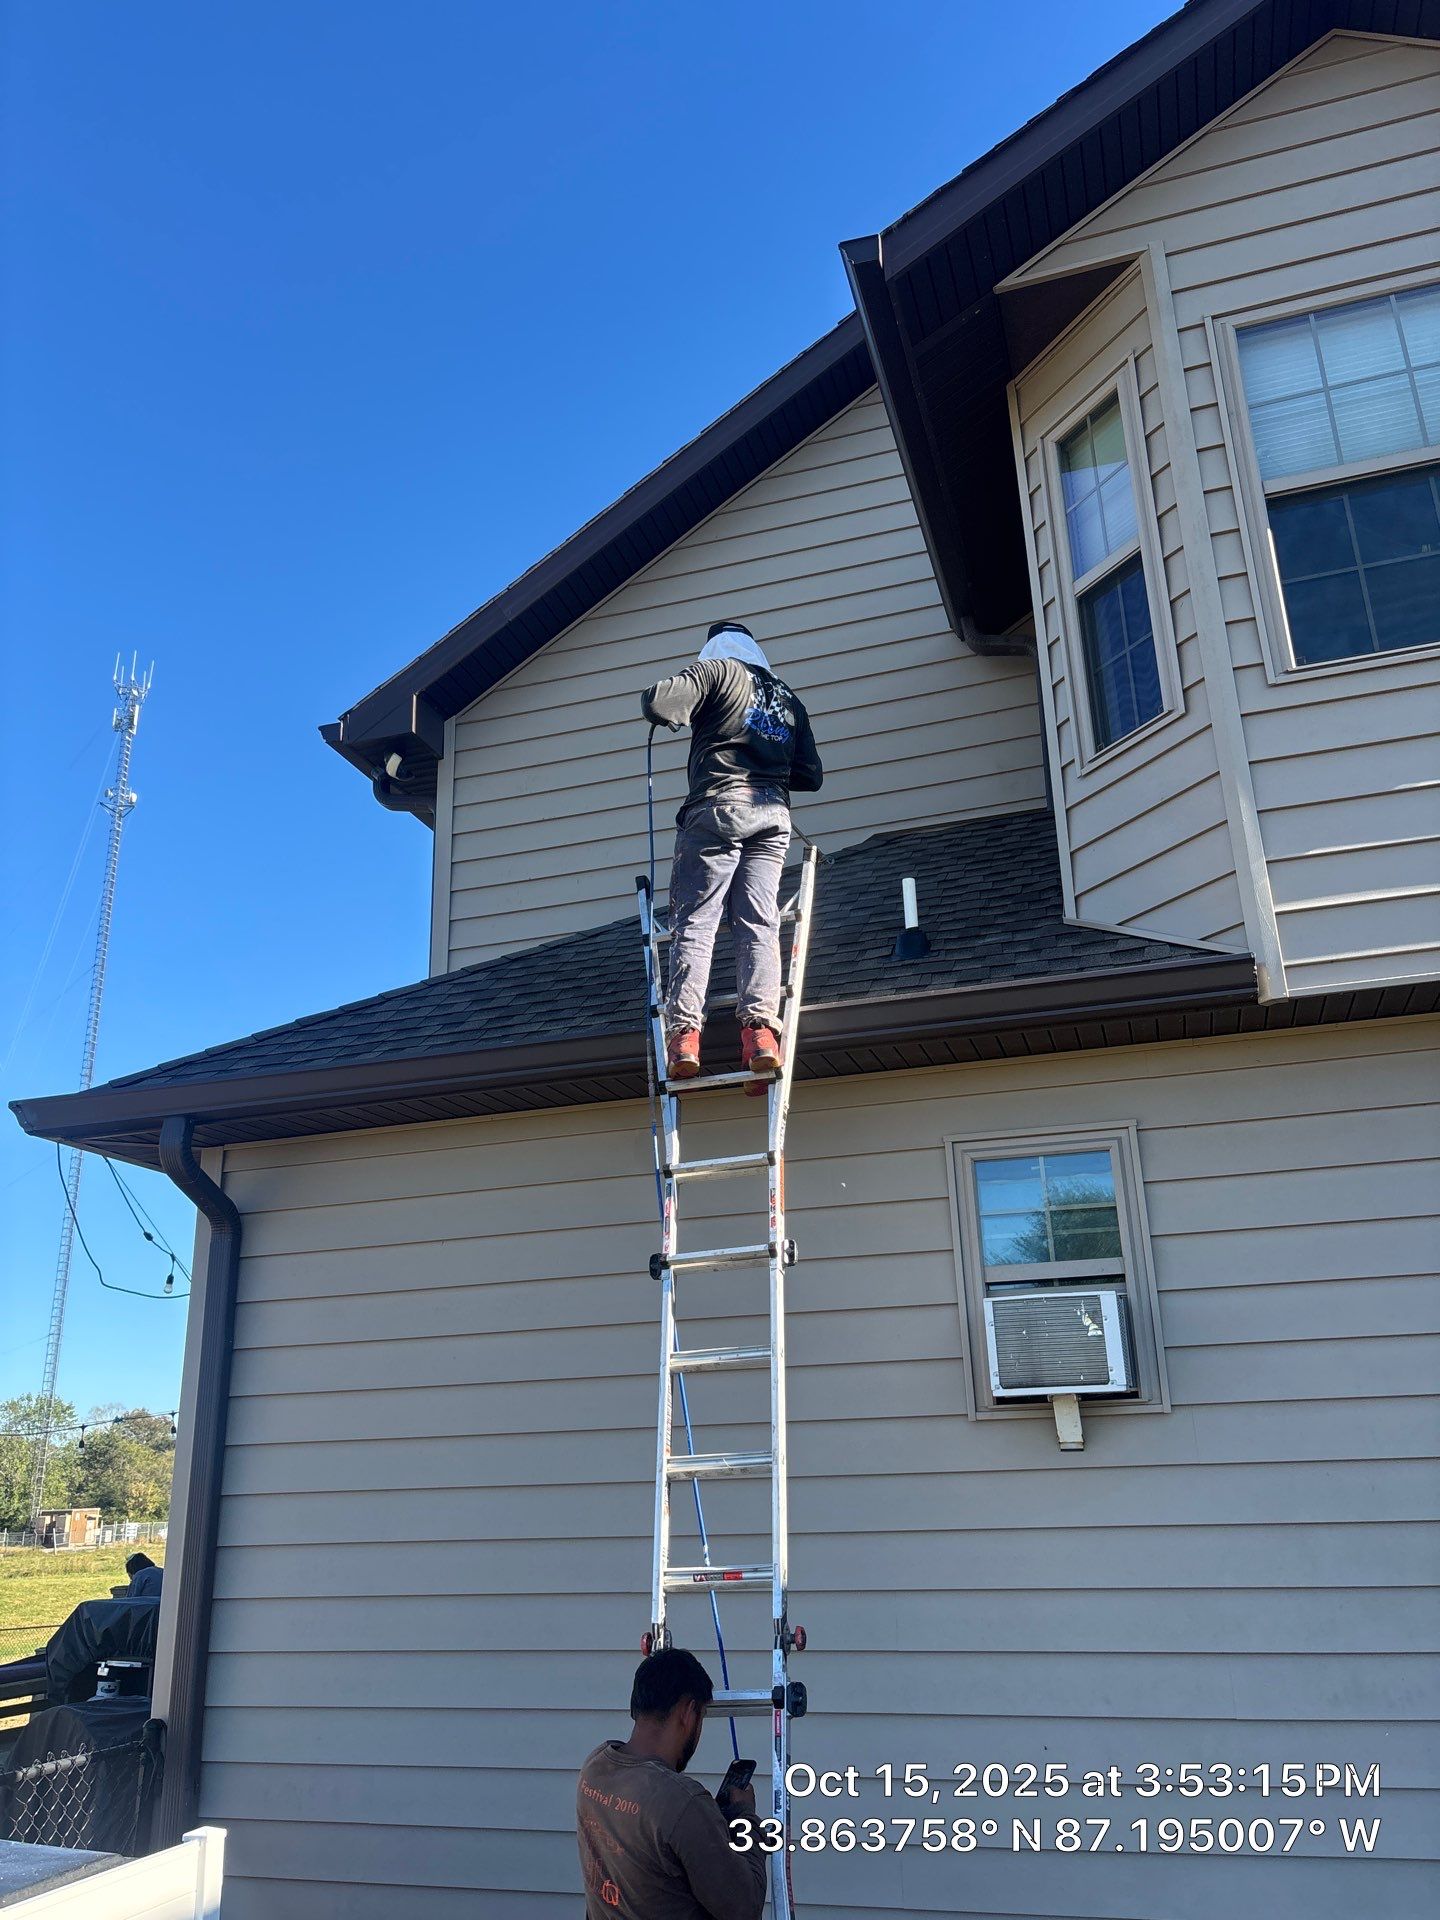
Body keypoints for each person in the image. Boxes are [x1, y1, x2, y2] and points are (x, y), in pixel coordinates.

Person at [642, 622, 822, 1088]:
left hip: (718, 806)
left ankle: (684, 1038)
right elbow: (810, 774)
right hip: (772, 814)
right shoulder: (786, 698)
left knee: (697, 923)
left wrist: (697, 700)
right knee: (759, 920)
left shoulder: (718, 672)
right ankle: (760, 1036)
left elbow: (658, 701)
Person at [577, 1647, 766, 1919]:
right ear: (688, 1713)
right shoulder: (683, 1802)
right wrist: (744, 1818)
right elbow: (744, 1909)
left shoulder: (594, 1767)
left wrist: (708, 1823)